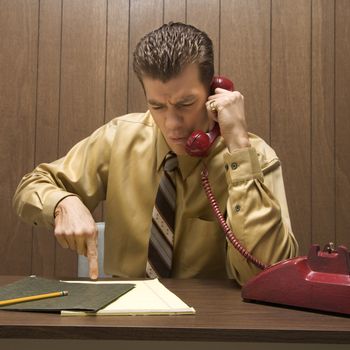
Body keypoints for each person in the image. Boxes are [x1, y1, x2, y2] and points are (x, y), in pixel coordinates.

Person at [13, 22, 298, 285]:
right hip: (125, 318)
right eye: (158, 107)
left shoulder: (254, 156)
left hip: (212, 321)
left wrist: (237, 145)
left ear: (215, 90)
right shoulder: (118, 138)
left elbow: (266, 272)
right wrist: (63, 202)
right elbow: (31, 186)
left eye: (186, 103)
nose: (172, 125)